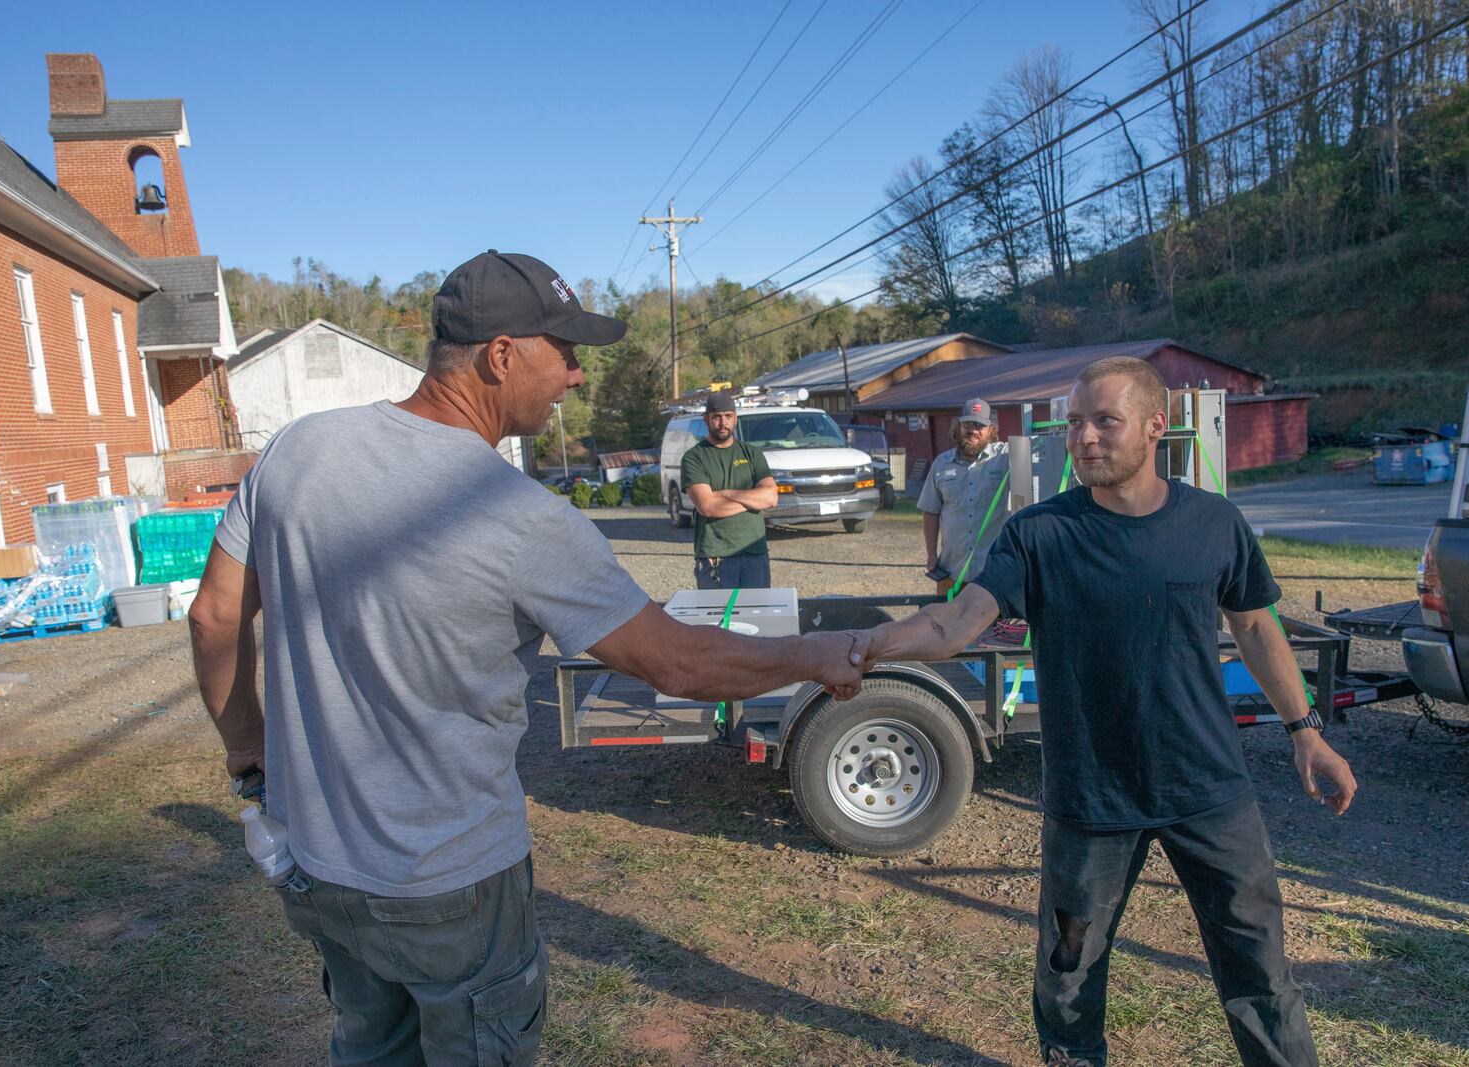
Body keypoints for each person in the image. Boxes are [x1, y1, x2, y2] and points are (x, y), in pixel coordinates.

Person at [188, 250, 865, 1067]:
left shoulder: (296, 451)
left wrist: (250, 765)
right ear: (500, 355)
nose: (578, 375)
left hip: (321, 867)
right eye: (566, 351)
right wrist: (818, 653)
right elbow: (678, 664)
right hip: (453, 885)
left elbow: (215, 615)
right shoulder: (516, 514)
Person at [846, 356, 1357, 1067]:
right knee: (1069, 965)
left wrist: (1307, 732)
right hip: (1091, 796)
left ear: (1157, 424)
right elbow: (953, 623)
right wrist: (861, 646)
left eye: (1104, 421)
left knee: (1259, 967)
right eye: (1074, 423)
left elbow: (1257, 627)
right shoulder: (1039, 534)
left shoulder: (1213, 523)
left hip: (1208, 787)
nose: (1084, 437)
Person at [681, 390, 779, 590]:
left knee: (756, 617)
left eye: (728, 416)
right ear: (706, 419)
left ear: (735, 418)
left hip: (755, 553)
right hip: (715, 555)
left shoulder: (752, 453)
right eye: (716, 417)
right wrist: (753, 500)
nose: (723, 422)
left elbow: (770, 497)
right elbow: (708, 507)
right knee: (718, 618)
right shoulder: (694, 458)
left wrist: (727, 493)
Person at [918, 398, 1010, 596]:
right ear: (958, 426)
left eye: (979, 425)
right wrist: (932, 554)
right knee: (946, 623)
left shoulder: (1005, 458)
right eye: (968, 424)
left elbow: (1035, 447)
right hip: (952, 568)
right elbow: (930, 511)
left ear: (990, 430)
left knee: (991, 626)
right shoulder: (941, 465)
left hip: (992, 570)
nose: (973, 430)